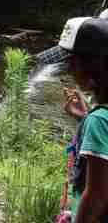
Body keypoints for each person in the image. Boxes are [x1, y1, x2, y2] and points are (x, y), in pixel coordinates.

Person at [36, 17, 108, 222]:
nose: (67, 70)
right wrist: (84, 118)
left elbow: (97, 195)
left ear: (93, 66)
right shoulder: (100, 117)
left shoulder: (99, 121)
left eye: (70, 62)